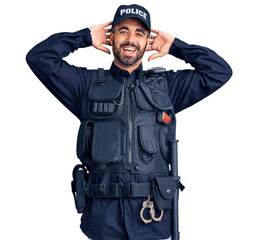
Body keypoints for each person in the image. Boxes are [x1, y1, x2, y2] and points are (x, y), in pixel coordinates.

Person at [26, 4, 232, 240]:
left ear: (147, 42)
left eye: (139, 33)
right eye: (123, 31)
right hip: (103, 221)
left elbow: (218, 71)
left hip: (153, 218)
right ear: (111, 37)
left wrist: (176, 47)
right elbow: (39, 58)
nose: (130, 39)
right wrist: (82, 38)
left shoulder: (167, 87)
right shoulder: (86, 85)